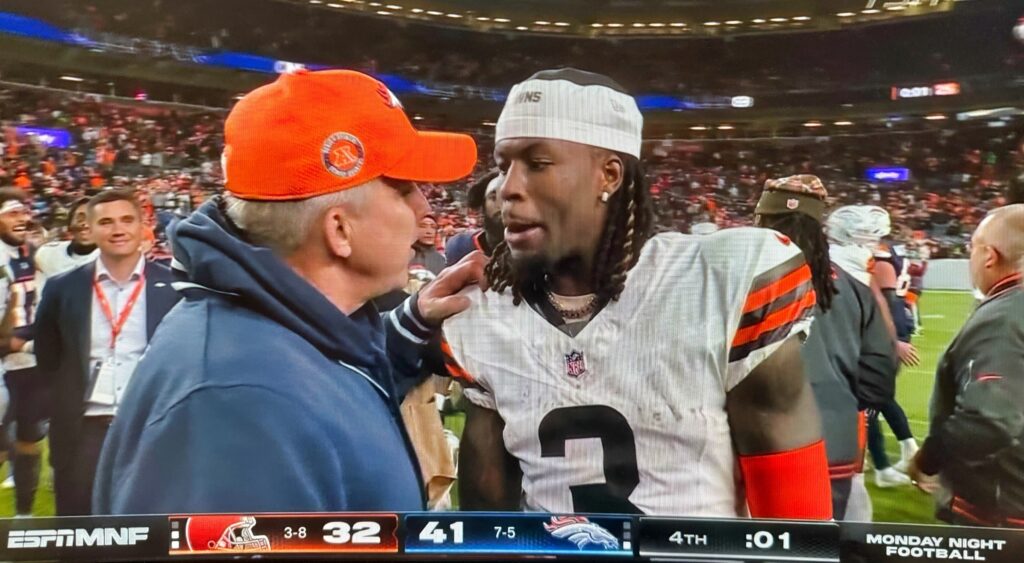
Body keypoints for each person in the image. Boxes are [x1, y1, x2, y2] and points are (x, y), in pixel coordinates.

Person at [92, 69, 482, 514]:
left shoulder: (278, 335)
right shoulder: (235, 408)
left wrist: (408, 325)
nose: (424, 207)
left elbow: (320, 390)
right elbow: (284, 400)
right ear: (340, 229)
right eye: (403, 189)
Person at [446, 69, 831, 519]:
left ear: (608, 175)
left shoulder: (721, 280)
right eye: (503, 165)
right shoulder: (483, 312)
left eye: (537, 163)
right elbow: (488, 522)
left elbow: (795, 524)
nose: (508, 188)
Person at [754, 178, 898, 520]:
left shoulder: (737, 279)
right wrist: (835, 404)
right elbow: (879, 376)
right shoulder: (854, 288)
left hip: (753, 450)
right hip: (833, 448)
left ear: (760, 220)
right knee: (824, 547)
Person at [35, 189, 180, 515]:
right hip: (84, 428)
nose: (118, 229)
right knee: (79, 530)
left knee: (151, 530)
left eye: (127, 220)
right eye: (106, 221)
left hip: (150, 427)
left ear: (144, 225)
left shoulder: (175, 287)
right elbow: (48, 357)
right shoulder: (62, 288)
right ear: (90, 227)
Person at [909, 204, 1024, 527]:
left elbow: (990, 419)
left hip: (1002, 509)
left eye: (972, 247)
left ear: (989, 255)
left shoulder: (1004, 317)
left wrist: (927, 458)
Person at [0, 189, 45, 516]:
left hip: (28, 361)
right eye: (12, 212)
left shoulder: (35, 253)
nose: (22, 219)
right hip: (3, 362)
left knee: (29, 438)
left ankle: (24, 516)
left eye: (24, 212)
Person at [445, 170, 503, 265]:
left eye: (508, 197)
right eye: (493, 197)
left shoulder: (534, 250)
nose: (502, 204)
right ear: (483, 205)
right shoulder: (459, 246)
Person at [35, 197, 98, 278]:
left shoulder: (112, 259)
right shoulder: (47, 254)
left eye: (93, 219)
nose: (86, 224)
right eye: (80, 218)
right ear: (69, 226)